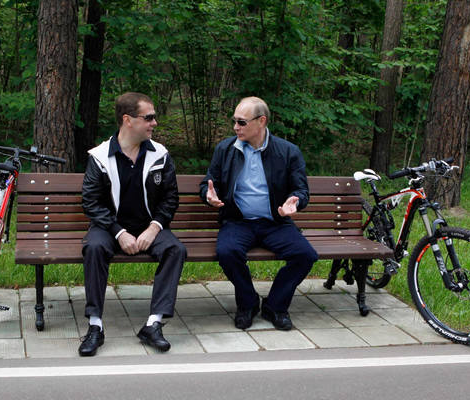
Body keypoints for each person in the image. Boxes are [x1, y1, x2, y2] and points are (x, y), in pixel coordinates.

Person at [78, 92, 186, 356]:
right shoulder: (100, 156)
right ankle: (95, 326)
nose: (155, 123)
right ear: (128, 120)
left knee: (176, 250)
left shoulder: (160, 154)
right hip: (109, 228)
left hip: (149, 227)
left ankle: (153, 324)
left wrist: (155, 227)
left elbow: (170, 197)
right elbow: (91, 203)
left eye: (154, 117)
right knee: (93, 248)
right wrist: (119, 232)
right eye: (148, 117)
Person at [199, 96, 318, 331]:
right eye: (234, 121)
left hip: (275, 222)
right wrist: (208, 196)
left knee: (305, 255)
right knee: (227, 251)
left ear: (261, 121)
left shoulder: (288, 151)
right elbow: (207, 183)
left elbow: (301, 190)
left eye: (242, 122)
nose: (235, 127)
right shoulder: (225, 149)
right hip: (238, 221)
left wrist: (295, 202)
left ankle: (275, 306)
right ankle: (248, 303)